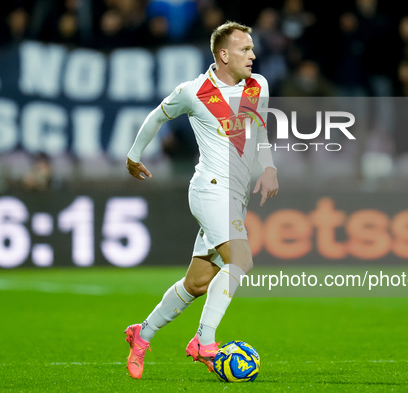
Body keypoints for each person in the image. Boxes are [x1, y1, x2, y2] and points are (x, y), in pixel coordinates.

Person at [123, 21, 279, 380]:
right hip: (210, 188)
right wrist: (134, 155)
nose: (253, 55)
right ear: (224, 55)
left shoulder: (259, 85)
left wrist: (268, 168)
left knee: (196, 283)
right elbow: (157, 116)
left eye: (253, 48)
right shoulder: (194, 91)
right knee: (241, 260)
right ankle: (204, 342)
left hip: (235, 195)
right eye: (245, 49)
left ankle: (141, 334)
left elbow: (259, 131)